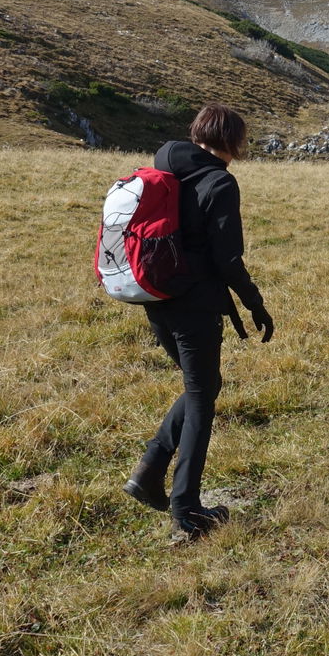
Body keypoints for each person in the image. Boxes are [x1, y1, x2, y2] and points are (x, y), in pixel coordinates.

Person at [124, 104, 274, 539]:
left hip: (155, 295)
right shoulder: (219, 182)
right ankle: (185, 511)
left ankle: (149, 474)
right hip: (195, 303)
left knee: (199, 387)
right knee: (202, 398)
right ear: (234, 141)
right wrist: (255, 303)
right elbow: (228, 259)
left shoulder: (164, 166)